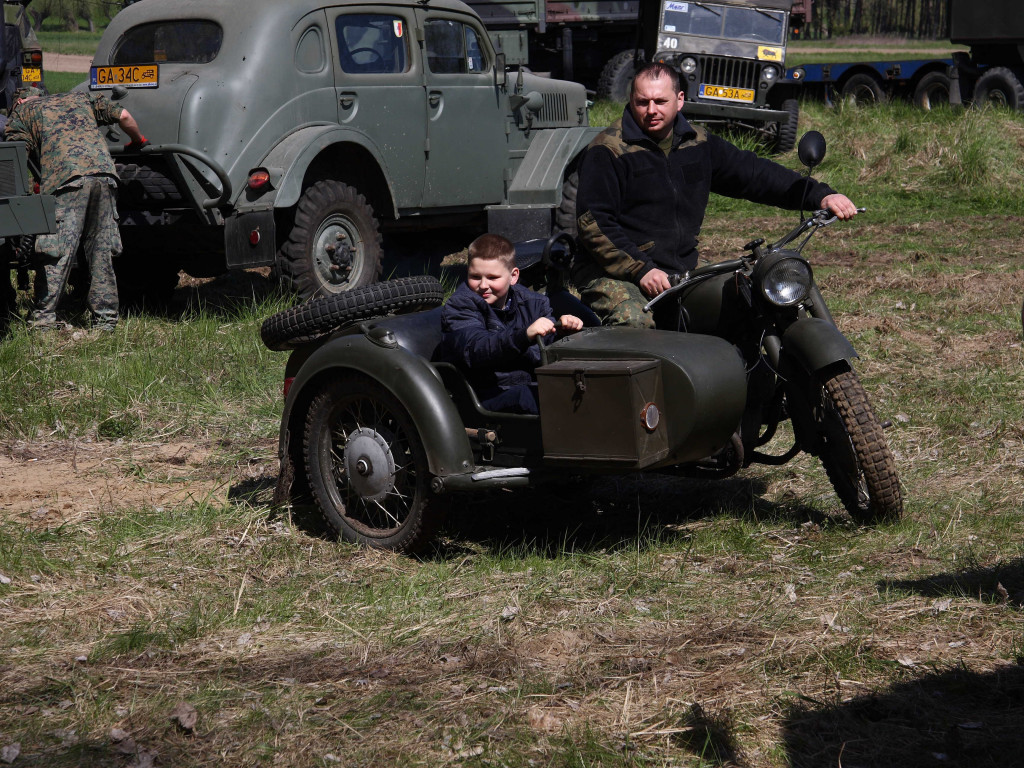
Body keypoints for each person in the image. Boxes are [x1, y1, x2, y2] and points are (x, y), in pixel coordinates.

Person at [572, 62, 859, 328]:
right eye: (642, 102)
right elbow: (594, 224)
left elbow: (754, 174)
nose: (651, 110)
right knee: (635, 324)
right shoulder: (608, 151)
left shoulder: (698, 143)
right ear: (631, 100)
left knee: (751, 299)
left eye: (660, 101)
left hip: (679, 267)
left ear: (679, 100)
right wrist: (641, 269)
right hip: (614, 271)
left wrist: (819, 195)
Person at [4, 86, 146, 330]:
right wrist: (138, 141)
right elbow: (124, 116)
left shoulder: (23, 112)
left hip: (66, 182)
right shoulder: (80, 98)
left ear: (18, 102)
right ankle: (105, 321)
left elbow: (16, 156)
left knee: (56, 252)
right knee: (102, 252)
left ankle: (43, 320)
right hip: (105, 176)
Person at [440, 233, 584, 414]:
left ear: (513, 276)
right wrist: (524, 335)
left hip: (527, 384)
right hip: (483, 394)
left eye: (492, 277)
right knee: (533, 398)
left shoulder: (533, 303)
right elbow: (476, 349)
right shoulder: (460, 306)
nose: (483, 285)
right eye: (475, 277)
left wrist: (562, 333)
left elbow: (545, 349)